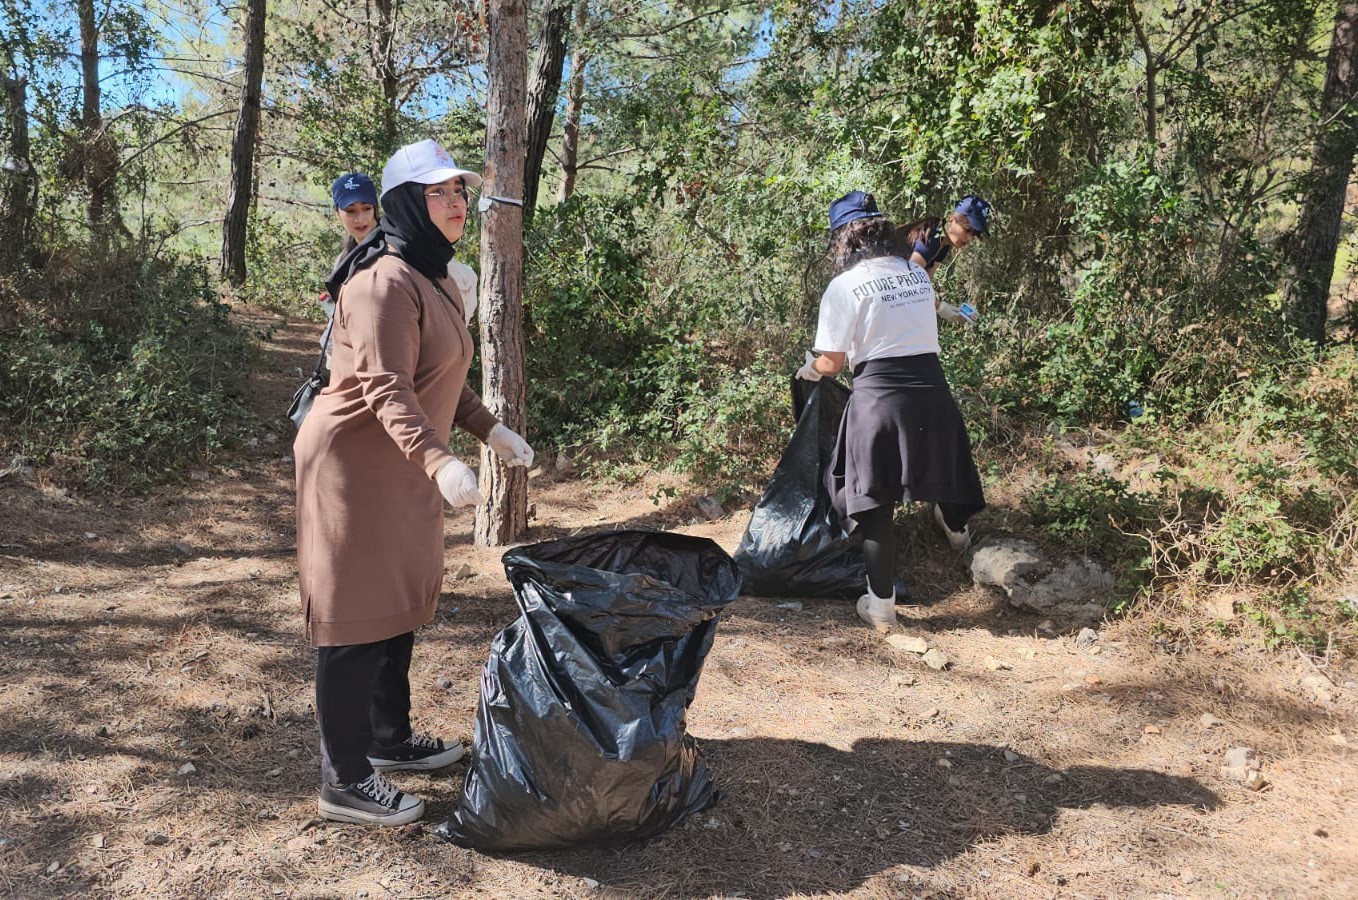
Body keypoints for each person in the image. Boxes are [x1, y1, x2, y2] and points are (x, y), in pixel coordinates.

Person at [294, 138, 536, 827]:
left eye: (460, 191)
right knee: (353, 615)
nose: (457, 203)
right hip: (351, 466)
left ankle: (387, 739)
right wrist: (441, 463)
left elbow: (444, 380)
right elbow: (385, 388)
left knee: (397, 600)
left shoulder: (434, 279)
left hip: (402, 462)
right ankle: (343, 779)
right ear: (406, 203)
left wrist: (490, 430)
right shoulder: (383, 283)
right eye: (439, 192)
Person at [795, 190, 986, 634]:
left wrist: (810, 367)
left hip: (879, 397)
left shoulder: (844, 287)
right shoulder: (915, 276)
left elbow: (833, 363)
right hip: (933, 391)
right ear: (883, 230)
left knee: (874, 496)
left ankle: (882, 607)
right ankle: (958, 534)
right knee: (945, 467)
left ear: (843, 239)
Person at [904, 194, 992, 324]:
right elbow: (907, 284)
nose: (969, 238)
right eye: (967, 229)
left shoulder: (944, 245)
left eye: (975, 234)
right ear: (952, 218)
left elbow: (925, 284)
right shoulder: (931, 239)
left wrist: (944, 308)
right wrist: (940, 307)